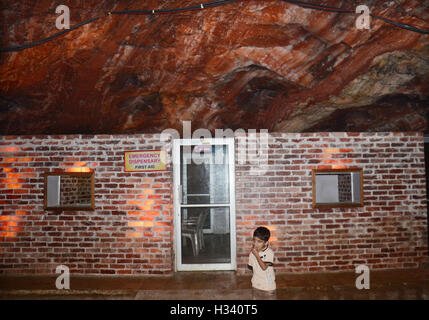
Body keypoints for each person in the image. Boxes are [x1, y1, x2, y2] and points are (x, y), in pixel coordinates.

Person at [248, 226, 277, 299]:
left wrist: (257, 256)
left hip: (268, 288)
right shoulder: (252, 253)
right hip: (256, 286)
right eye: (254, 240)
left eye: (259, 241)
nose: (255, 243)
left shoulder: (269, 253)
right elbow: (252, 268)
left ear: (266, 243)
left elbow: (264, 267)